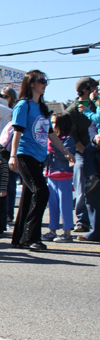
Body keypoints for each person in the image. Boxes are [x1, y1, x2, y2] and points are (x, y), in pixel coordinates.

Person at [9, 70, 74, 251]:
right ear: (31, 83)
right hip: (25, 155)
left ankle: (19, 238)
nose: (45, 84)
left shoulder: (42, 108)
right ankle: (32, 237)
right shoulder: (23, 106)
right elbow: (17, 133)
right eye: (41, 81)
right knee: (41, 192)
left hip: (39, 157)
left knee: (28, 197)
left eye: (46, 81)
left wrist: (66, 152)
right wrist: (13, 156)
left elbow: (51, 134)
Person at [70, 78, 100, 233]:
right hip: (82, 153)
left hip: (97, 151)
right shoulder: (73, 110)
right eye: (95, 88)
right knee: (84, 188)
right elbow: (71, 133)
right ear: (87, 90)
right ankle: (82, 221)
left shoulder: (96, 104)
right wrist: (83, 150)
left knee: (96, 190)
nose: (97, 91)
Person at [42, 113, 76, 242]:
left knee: (65, 206)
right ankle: (52, 231)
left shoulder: (68, 139)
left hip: (64, 177)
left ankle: (67, 233)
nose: (51, 125)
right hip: (51, 176)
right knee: (52, 206)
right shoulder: (49, 140)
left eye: (54, 122)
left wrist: (52, 146)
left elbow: (66, 155)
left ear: (62, 124)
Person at [1, 87, 19, 225]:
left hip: (12, 153)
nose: (3, 99)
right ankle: (2, 212)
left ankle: (8, 214)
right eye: (1, 96)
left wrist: (14, 155)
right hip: (2, 152)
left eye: (6, 96)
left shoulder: (15, 112)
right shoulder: (1, 111)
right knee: (3, 185)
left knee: (10, 185)